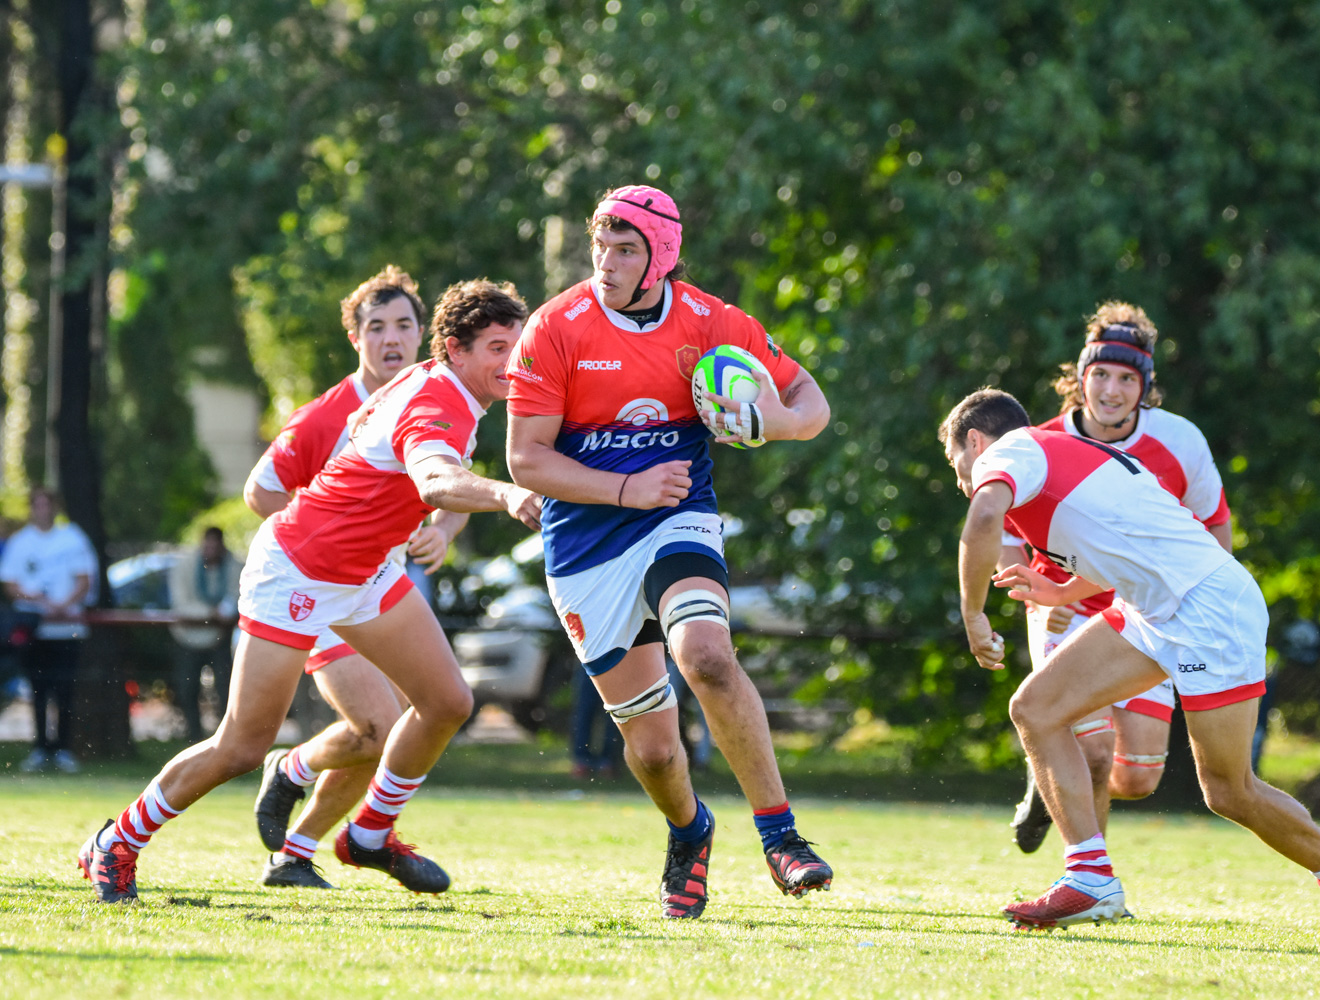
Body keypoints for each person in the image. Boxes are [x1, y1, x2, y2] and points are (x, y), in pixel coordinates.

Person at [77, 278, 541, 903]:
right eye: (497, 348)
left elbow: (403, 460)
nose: (513, 362)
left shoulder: (442, 382)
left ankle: (369, 834)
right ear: (456, 350)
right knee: (242, 744)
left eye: (518, 345)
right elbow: (434, 478)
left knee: (447, 701)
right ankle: (117, 842)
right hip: (297, 570)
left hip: (367, 570)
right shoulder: (438, 401)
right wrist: (507, 494)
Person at [940, 388, 1320, 945]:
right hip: (1156, 607)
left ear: (975, 442)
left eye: (955, 463)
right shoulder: (1057, 456)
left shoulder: (1009, 452)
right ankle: (1090, 877)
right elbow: (1129, 547)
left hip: (1207, 610)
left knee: (1228, 791)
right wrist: (1061, 594)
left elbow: (984, 516)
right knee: (1035, 708)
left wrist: (972, 613)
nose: (961, 479)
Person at [506, 185, 834, 919]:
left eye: (626, 249)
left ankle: (780, 835)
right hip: (585, 546)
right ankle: (690, 832)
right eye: (601, 245)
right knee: (654, 753)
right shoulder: (555, 328)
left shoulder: (710, 322)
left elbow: (810, 401)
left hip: (678, 518)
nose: (608, 261)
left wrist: (763, 420)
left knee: (708, 656)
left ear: (662, 256)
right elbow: (526, 460)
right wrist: (626, 490)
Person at [241, 266, 468, 890]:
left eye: (404, 325)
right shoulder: (327, 415)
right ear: (355, 338)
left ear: (424, 333)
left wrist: (441, 532)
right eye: (376, 327)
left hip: (378, 582)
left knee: (400, 725)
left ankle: (300, 850)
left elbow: (449, 487)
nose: (391, 339)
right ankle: (297, 776)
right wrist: (329, 531)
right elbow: (259, 494)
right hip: (312, 585)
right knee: (377, 725)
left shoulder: (439, 394)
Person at [1004, 303, 1234, 853]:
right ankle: (1089, 879)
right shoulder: (1042, 443)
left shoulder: (1180, 443)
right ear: (1079, 379)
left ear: (1146, 386)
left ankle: (1049, 778)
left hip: (1143, 611)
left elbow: (1216, 530)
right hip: (1064, 605)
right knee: (1094, 751)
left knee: (1136, 778)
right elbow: (1006, 531)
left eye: (1126, 378)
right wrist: (1028, 595)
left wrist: (1201, 609)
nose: (1111, 390)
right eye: (1100, 375)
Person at [0, 487, 96, 773]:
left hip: (67, 628)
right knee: (38, 691)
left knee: (65, 691)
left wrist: (62, 605)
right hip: (34, 630)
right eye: (37, 505)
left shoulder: (73, 537)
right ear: (32, 508)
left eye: (47, 504)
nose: (43, 510)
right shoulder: (20, 543)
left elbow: (84, 580)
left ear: (55, 507)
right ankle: (40, 748)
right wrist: (40, 602)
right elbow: (11, 584)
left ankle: (63, 749)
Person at [168, 526, 242, 741]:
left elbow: (239, 596)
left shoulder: (234, 567)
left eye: (215, 545)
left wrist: (221, 614)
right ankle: (194, 738)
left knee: (226, 689)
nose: (210, 549)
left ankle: (226, 739)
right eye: (207, 545)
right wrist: (213, 613)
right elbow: (181, 605)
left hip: (219, 639)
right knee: (187, 689)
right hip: (186, 638)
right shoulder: (185, 566)